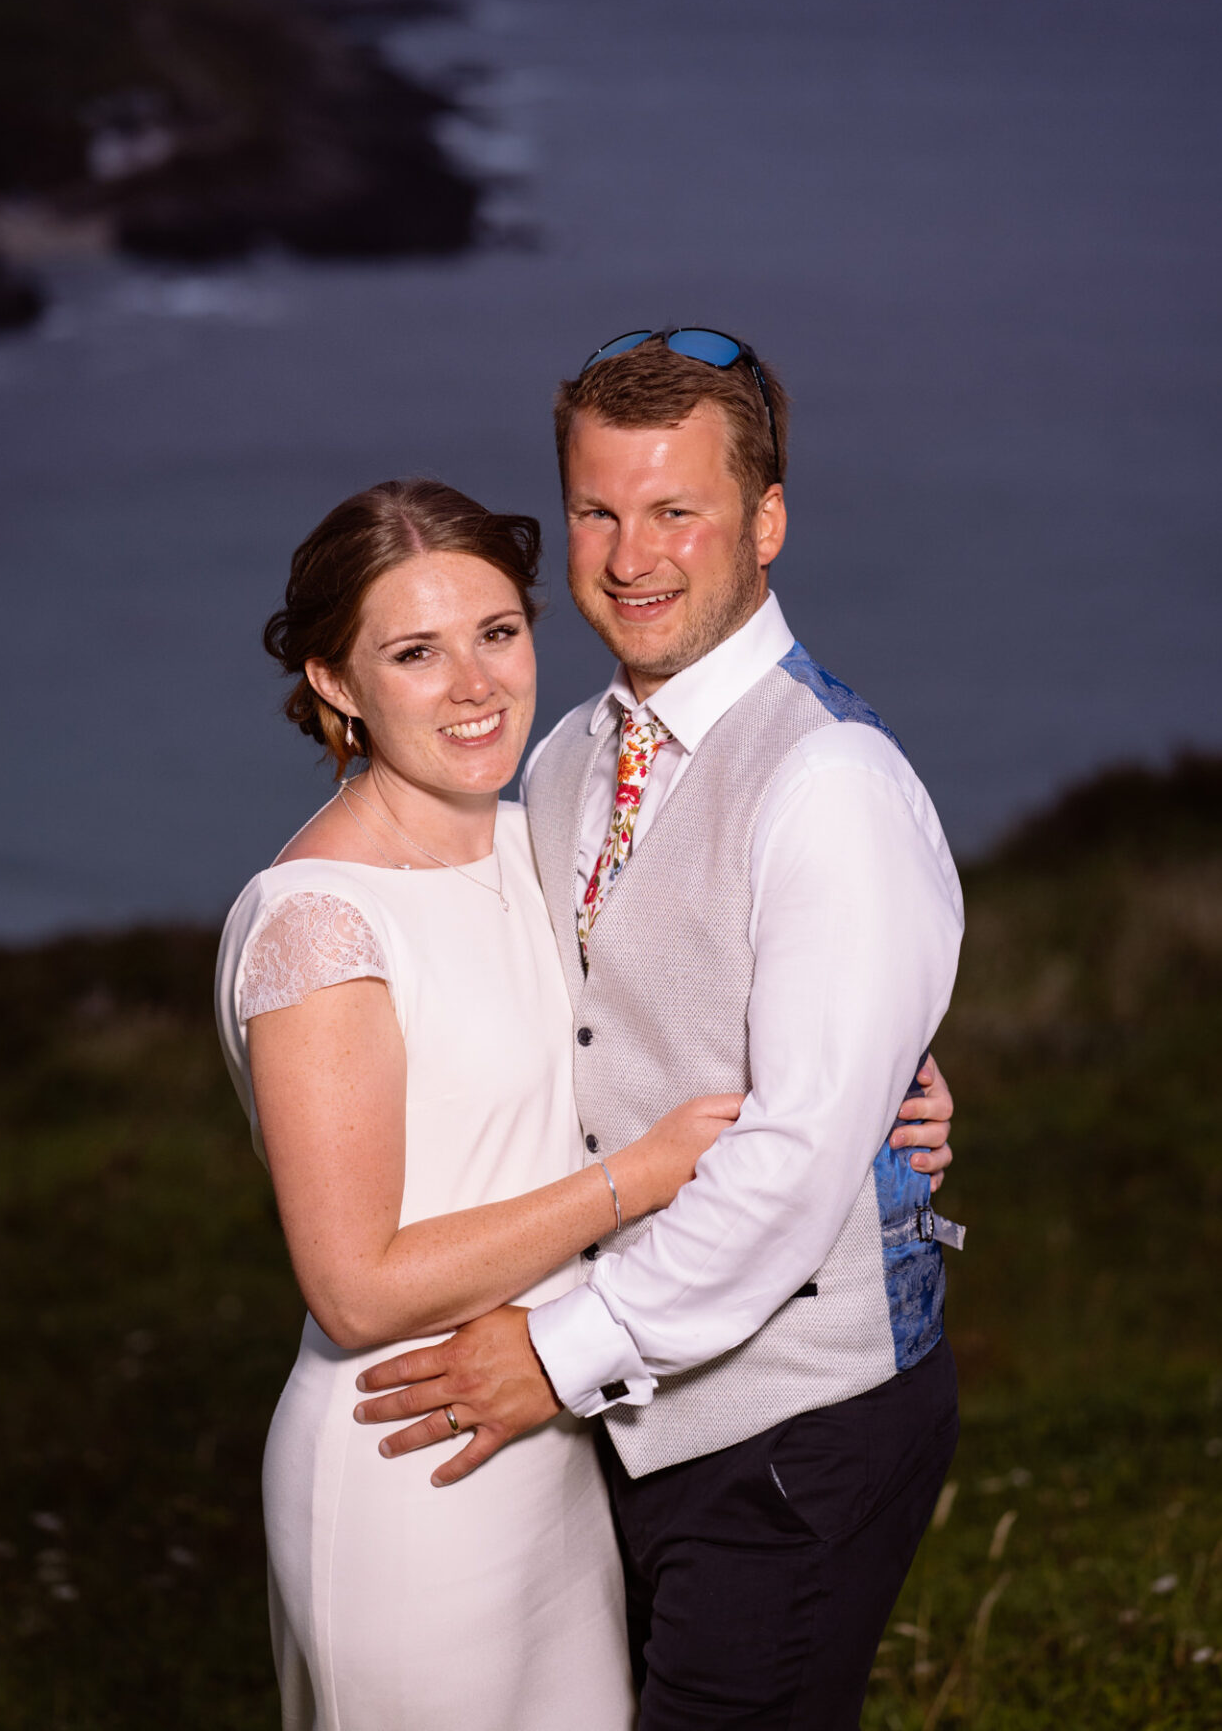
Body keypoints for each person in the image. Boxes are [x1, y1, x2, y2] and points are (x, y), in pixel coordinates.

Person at [214, 473, 956, 1731]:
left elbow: (667, 1014)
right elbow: (353, 1287)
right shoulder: (319, 925)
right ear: (336, 682)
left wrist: (879, 1078)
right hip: (419, 1447)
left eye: (496, 633)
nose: (473, 685)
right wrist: (636, 1179)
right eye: (413, 653)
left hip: (569, 1439)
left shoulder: (542, 831)